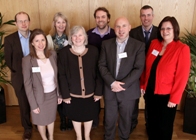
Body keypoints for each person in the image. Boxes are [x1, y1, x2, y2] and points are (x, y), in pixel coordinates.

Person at [140, 16, 190, 140]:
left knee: (164, 127)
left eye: (168, 28)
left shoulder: (181, 48)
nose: (165, 31)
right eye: (162, 28)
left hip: (167, 97)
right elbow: (146, 67)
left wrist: (175, 98)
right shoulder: (154, 44)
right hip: (151, 93)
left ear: (175, 30)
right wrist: (143, 84)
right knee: (151, 124)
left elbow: (182, 77)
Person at [99, 17, 145, 140]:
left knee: (126, 121)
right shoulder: (106, 44)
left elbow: (138, 68)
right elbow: (101, 65)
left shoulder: (138, 45)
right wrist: (112, 82)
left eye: (124, 26)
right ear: (114, 29)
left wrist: (122, 85)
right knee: (109, 120)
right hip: (111, 89)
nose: (121, 29)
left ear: (129, 27)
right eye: (118, 26)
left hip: (128, 91)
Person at [58, 25, 103, 140]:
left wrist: (98, 92)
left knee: (89, 115)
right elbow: (61, 75)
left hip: (91, 93)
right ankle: (78, 136)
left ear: (85, 37)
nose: (77, 38)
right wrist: (65, 95)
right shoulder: (63, 53)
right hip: (73, 94)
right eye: (74, 35)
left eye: (80, 35)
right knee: (75, 116)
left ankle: (87, 136)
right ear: (70, 37)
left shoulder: (93, 51)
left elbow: (99, 73)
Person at [22, 29, 62, 140]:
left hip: (53, 95)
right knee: (41, 120)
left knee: (51, 118)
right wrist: (33, 104)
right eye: (37, 41)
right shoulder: (27, 60)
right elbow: (27, 84)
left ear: (46, 41)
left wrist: (59, 94)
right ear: (32, 43)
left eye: (43, 40)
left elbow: (57, 77)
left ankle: (51, 137)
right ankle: (44, 138)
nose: (40, 44)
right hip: (38, 97)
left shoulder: (52, 55)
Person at [129, 5, 158, 133]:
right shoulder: (133, 32)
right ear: (140, 17)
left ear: (153, 16)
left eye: (148, 15)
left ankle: (149, 125)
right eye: (143, 15)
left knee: (150, 101)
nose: (146, 18)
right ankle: (132, 123)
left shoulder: (159, 32)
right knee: (133, 100)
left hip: (153, 73)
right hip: (135, 72)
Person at [4, 11, 33, 140]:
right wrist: (19, 71)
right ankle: (27, 128)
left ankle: (39, 123)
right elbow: (9, 61)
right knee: (23, 104)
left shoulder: (36, 36)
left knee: (37, 102)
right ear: (16, 23)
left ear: (29, 22)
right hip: (19, 77)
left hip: (36, 76)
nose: (23, 23)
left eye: (26, 20)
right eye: (20, 21)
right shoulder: (9, 39)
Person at [87, 6, 116, 128]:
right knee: (94, 97)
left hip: (110, 71)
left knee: (109, 99)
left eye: (103, 17)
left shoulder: (115, 34)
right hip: (93, 71)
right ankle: (94, 119)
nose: (100, 19)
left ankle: (107, 122)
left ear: (108, 19)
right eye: (98, 17)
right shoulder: (88, 34)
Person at [47, 12, 72, 131]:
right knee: (60, 97)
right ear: (54, 24)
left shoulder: (71, 37)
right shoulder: (48, 38)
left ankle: (71, 119)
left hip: (69, 72)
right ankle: (62, 120)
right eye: (58, 22)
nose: (61, 25)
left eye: (63, 22)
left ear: (66, 24)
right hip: (55, 72)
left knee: (70, 95)